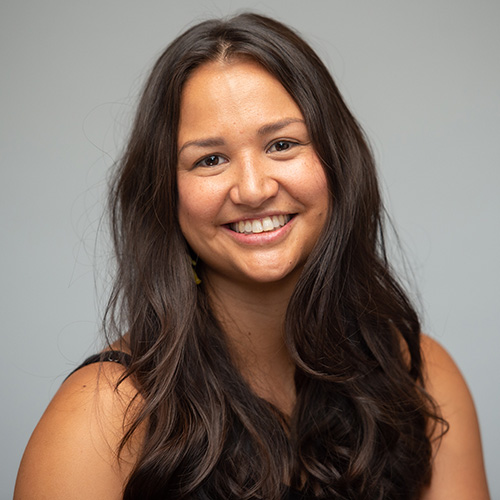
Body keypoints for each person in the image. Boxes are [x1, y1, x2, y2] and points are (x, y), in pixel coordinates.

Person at [14, 13, 490, 500]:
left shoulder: (419, 375)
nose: (254, 189)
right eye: (210, 159)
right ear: (164, 193)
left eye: (282, 145)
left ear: (336, 161)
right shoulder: (99, 418)